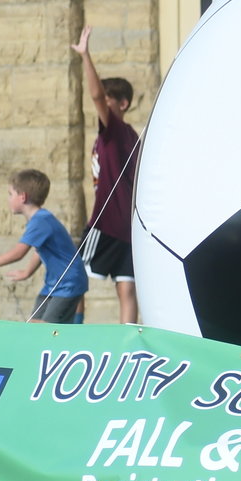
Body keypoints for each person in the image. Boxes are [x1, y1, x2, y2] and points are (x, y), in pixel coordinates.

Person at [72, 25, 140, 323]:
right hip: (128, 226)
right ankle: (129, 341)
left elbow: (97, 96)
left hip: (107, 222)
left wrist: (85, 56)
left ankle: (72, 333)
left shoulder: (114, 130)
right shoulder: (133, 136)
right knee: (127, 289)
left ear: (122, 104)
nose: (103, 105)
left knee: (72, 275)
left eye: (110, 101)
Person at [0, 169, 88, 323]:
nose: (8, 199)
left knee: (48, 330)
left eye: (10, 194)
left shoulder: (40, 221)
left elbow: (18, 253)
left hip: (68, 284)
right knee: (33, 324)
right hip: (54, 284)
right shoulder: (39, 219)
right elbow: (39, 250)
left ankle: (76, 332)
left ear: (22, 197)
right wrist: (27, 272)